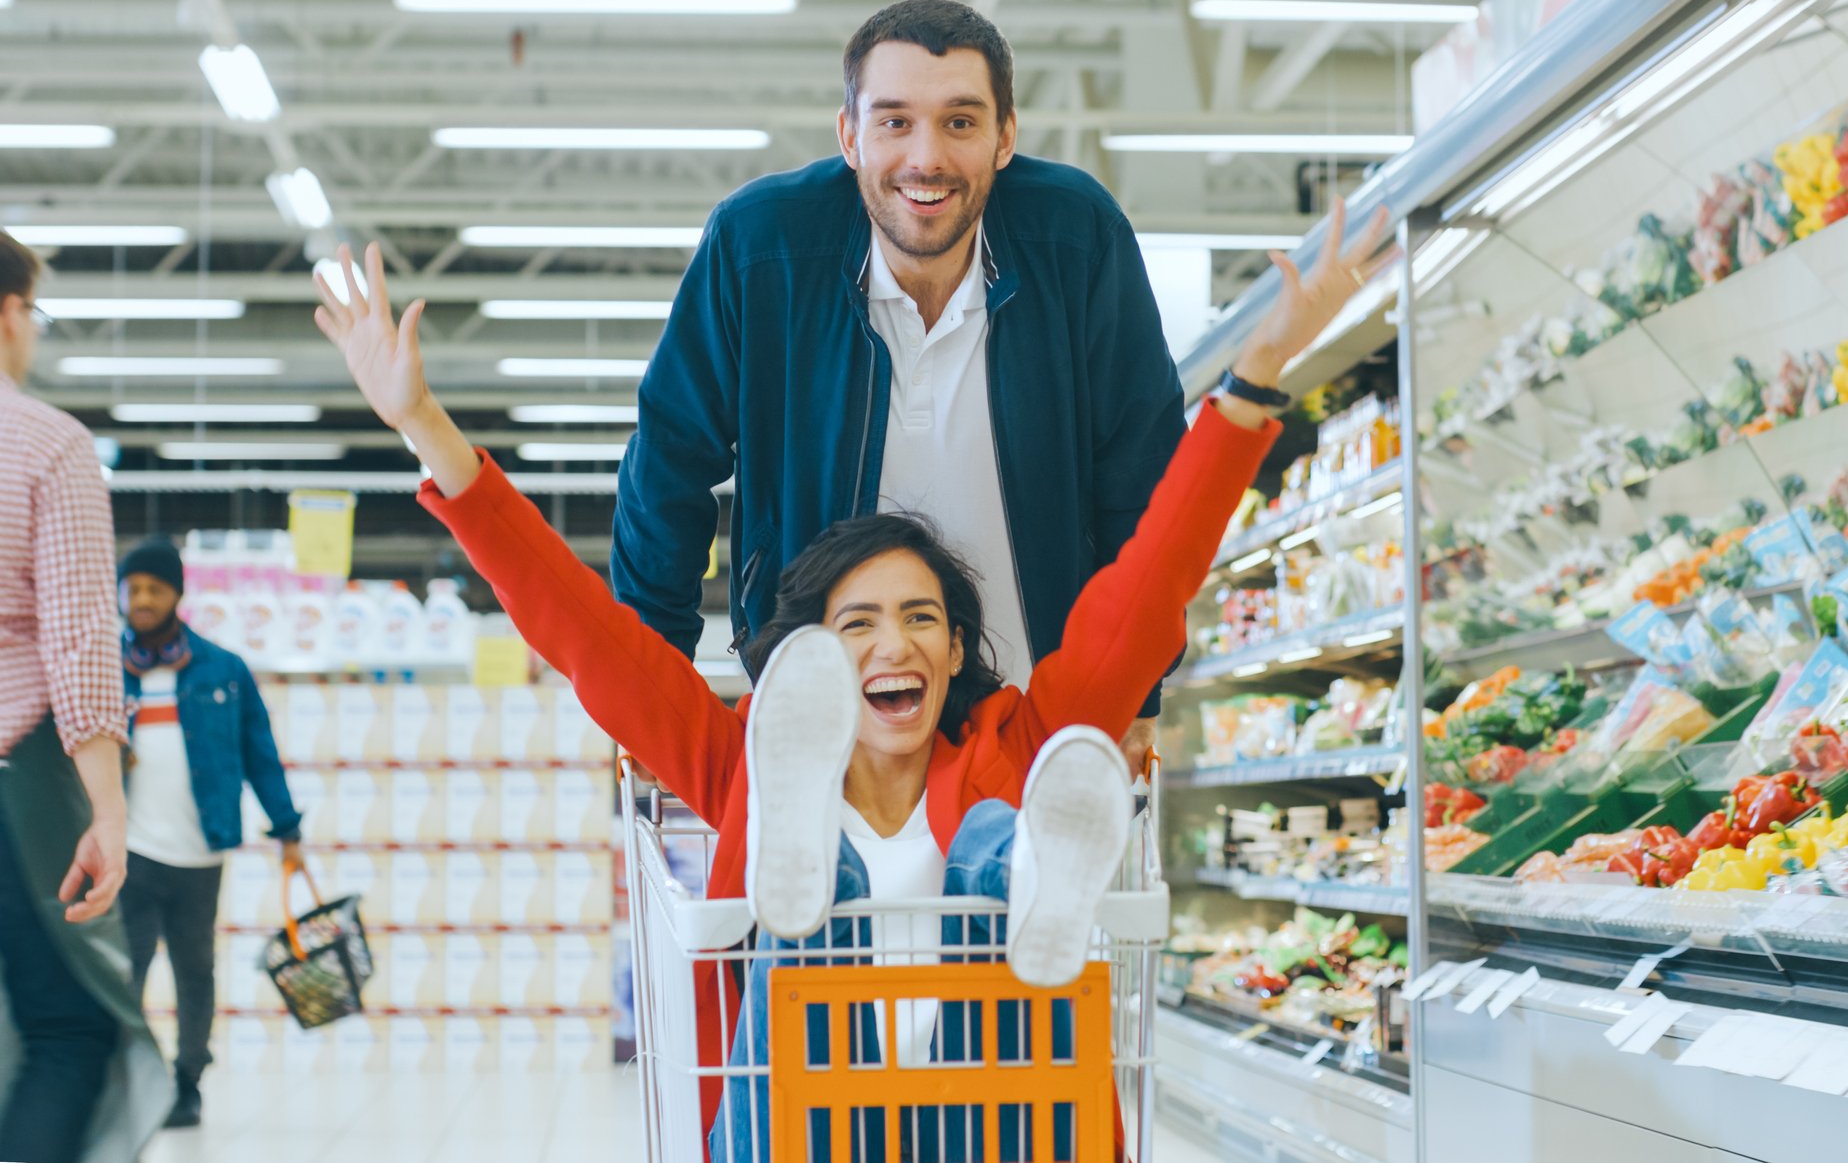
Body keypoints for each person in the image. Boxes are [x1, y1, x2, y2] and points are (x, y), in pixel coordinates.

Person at [312, 194, 1390, 1155]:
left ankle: (1022, 883)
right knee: (837, 884)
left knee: (990, 839)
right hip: (806, 1124)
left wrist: (1254, 386)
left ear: (958, 651)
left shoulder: (1019, 744)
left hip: (996, 1123)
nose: (896, 645)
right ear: (811, 660)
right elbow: (580, 631)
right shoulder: (738, 762)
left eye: (923, 618)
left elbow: (1146, 587)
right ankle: (837, 869)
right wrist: (422, 426)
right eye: (858, 624)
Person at [610, 0, 1188, 763]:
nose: (926, 159)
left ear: (1004, 136)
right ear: (849, 135)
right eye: (893, 122)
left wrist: (1136, 685)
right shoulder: (760, 249)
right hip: (821, 714)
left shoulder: (1076, 239)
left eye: (960, 121)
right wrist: (651, 687)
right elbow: (668, 467)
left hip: (1041, 715)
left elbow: (1144, 479)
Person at [0, 227, 169, 1162]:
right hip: (18, 772)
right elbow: (75, 636)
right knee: (70, 1028)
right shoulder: (45, 444)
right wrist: (107, 808)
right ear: (12, 313)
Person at [115, 538, 305, 1129]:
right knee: (127, 975)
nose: (142, 599)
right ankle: (129, 1079)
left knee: (195, 972)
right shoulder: (101, 667)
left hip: (200, 852)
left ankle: (187, 1081)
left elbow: (260, 754)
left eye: (155, 588)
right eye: (134, 588)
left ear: (177, 594)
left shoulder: (223, 669)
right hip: (128, 852)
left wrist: (288, 827)